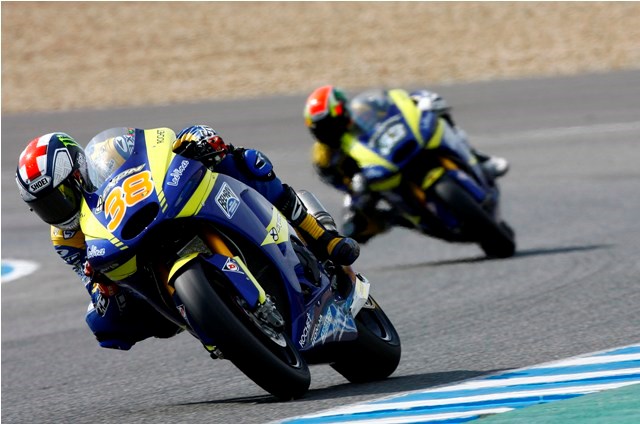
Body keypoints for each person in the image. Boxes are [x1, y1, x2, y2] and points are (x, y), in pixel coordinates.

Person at [15, 126, 359, 350]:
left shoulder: (109, 151)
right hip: (133, 260)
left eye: (58, 197)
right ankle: (205, 319)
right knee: (103, 323)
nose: (55, 210)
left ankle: (320, 235)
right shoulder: (65, 237)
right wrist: (101, 288)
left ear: (78, 172)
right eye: (44, 206)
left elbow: (153, 148)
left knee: (244, 162)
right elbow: (87, 279)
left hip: (161, 204)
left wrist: (192, 139)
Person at [303, 85, 510, 243]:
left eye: (330, 123)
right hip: (370, 177)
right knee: (354, 227)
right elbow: (338, 181)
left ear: (342, 110)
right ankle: (402, 218)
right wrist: (356, 190)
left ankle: (480, 159)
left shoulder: (364, 108)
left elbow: (394, 104)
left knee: (439, 118)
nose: (328, 131)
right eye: (321, 129)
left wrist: (420, 101)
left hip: (394, 148)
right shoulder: (324, 155)